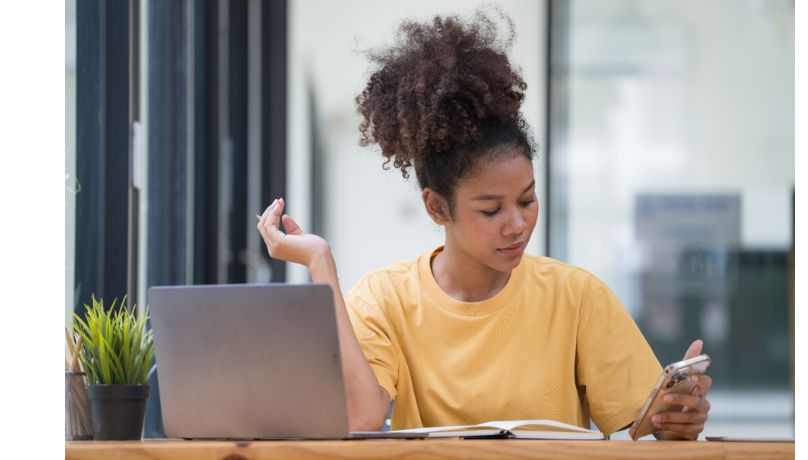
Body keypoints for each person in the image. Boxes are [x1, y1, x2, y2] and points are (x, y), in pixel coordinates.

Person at [256, 11, 712, 439]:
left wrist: (675, 419)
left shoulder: (576, 298)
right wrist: (321, 264)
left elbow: (643, 426)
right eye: (491, 210)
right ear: (437, 208)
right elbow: (362, 417)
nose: (517, 224)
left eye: (527, 200)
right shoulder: (384, 299)